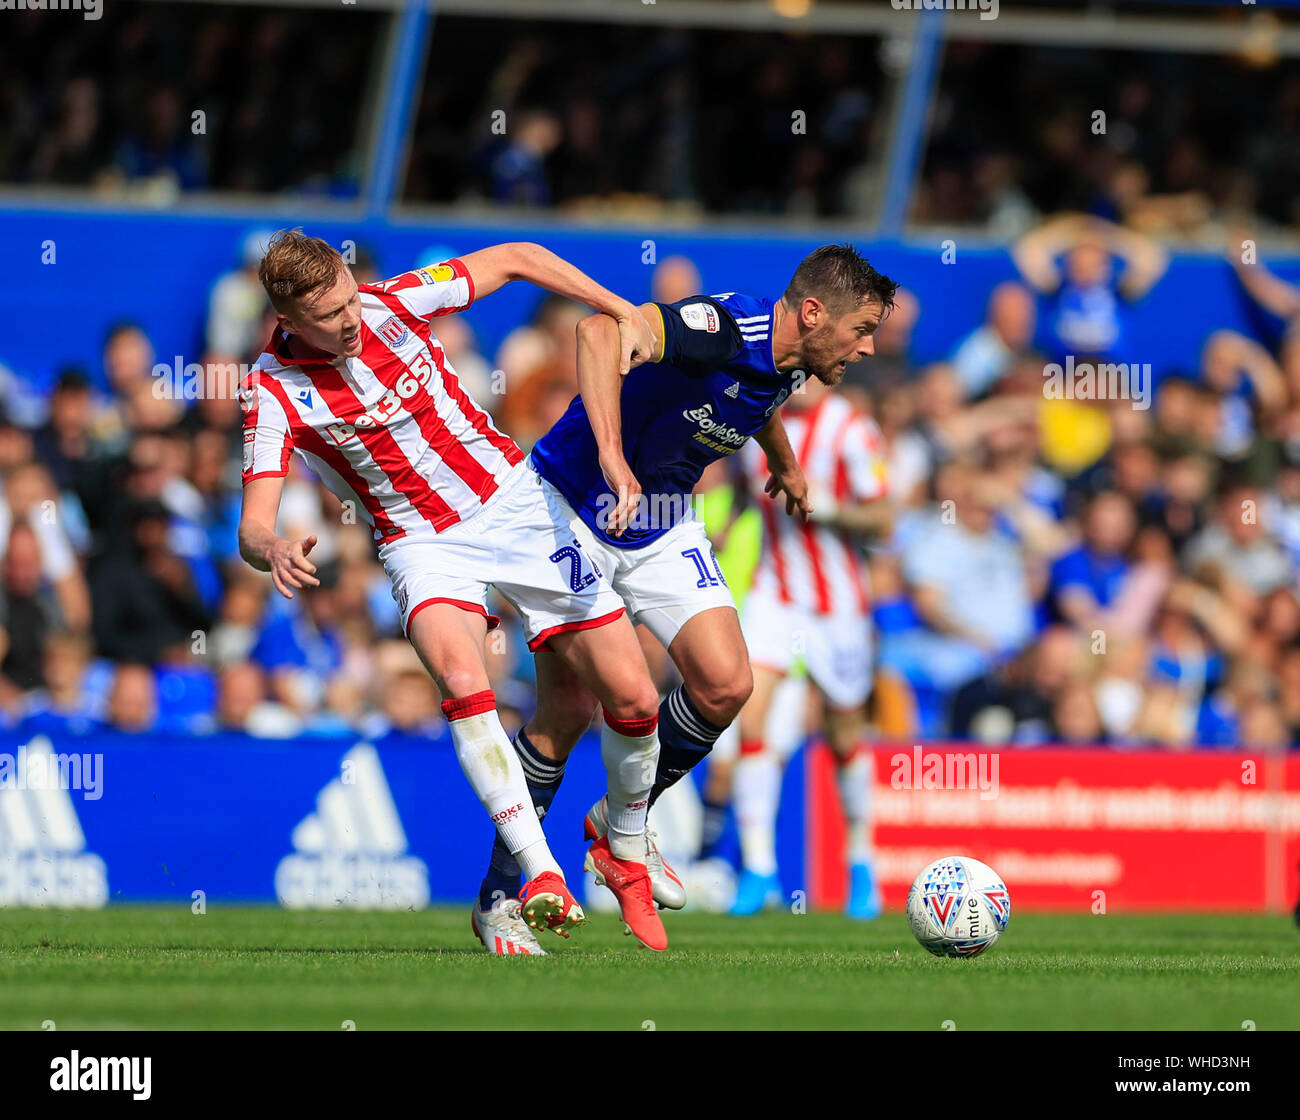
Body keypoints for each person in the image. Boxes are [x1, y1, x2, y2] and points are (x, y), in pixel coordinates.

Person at [237, 229, 671, 954]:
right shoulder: (273, 389)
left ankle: (624, 846)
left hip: (516, 505)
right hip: (421, 544)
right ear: (288, 321)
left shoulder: (394, 302)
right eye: (330, 315)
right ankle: (536, 878)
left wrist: (620, 306)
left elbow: (518, 256)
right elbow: (253, 523)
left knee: (632, 700)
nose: (350, 319)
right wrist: (273, 547)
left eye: (349, 297)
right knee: (466, 681)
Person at [474, 244, 898, 922]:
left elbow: (759, 399)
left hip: (662, 518)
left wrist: (785, 467)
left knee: (727, 682)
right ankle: (500, 897)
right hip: (572, 507)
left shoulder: (795, 360)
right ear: (814, 313)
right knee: (569, 712)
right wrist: (612, 457)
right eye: (862, 329)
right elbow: (597, 331)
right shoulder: (723, 328)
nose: (870, 348)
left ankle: (617, 826)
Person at [728, 375, 893, 918]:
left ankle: (862, 865)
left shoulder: (850, 427)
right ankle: (758, 870)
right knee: (750, 718)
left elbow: (883, 517)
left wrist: (824, 506)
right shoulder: (757, 417)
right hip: (774, 592)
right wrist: (727, 526)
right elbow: (742, 490)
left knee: (845, 734)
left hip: (837, 606)